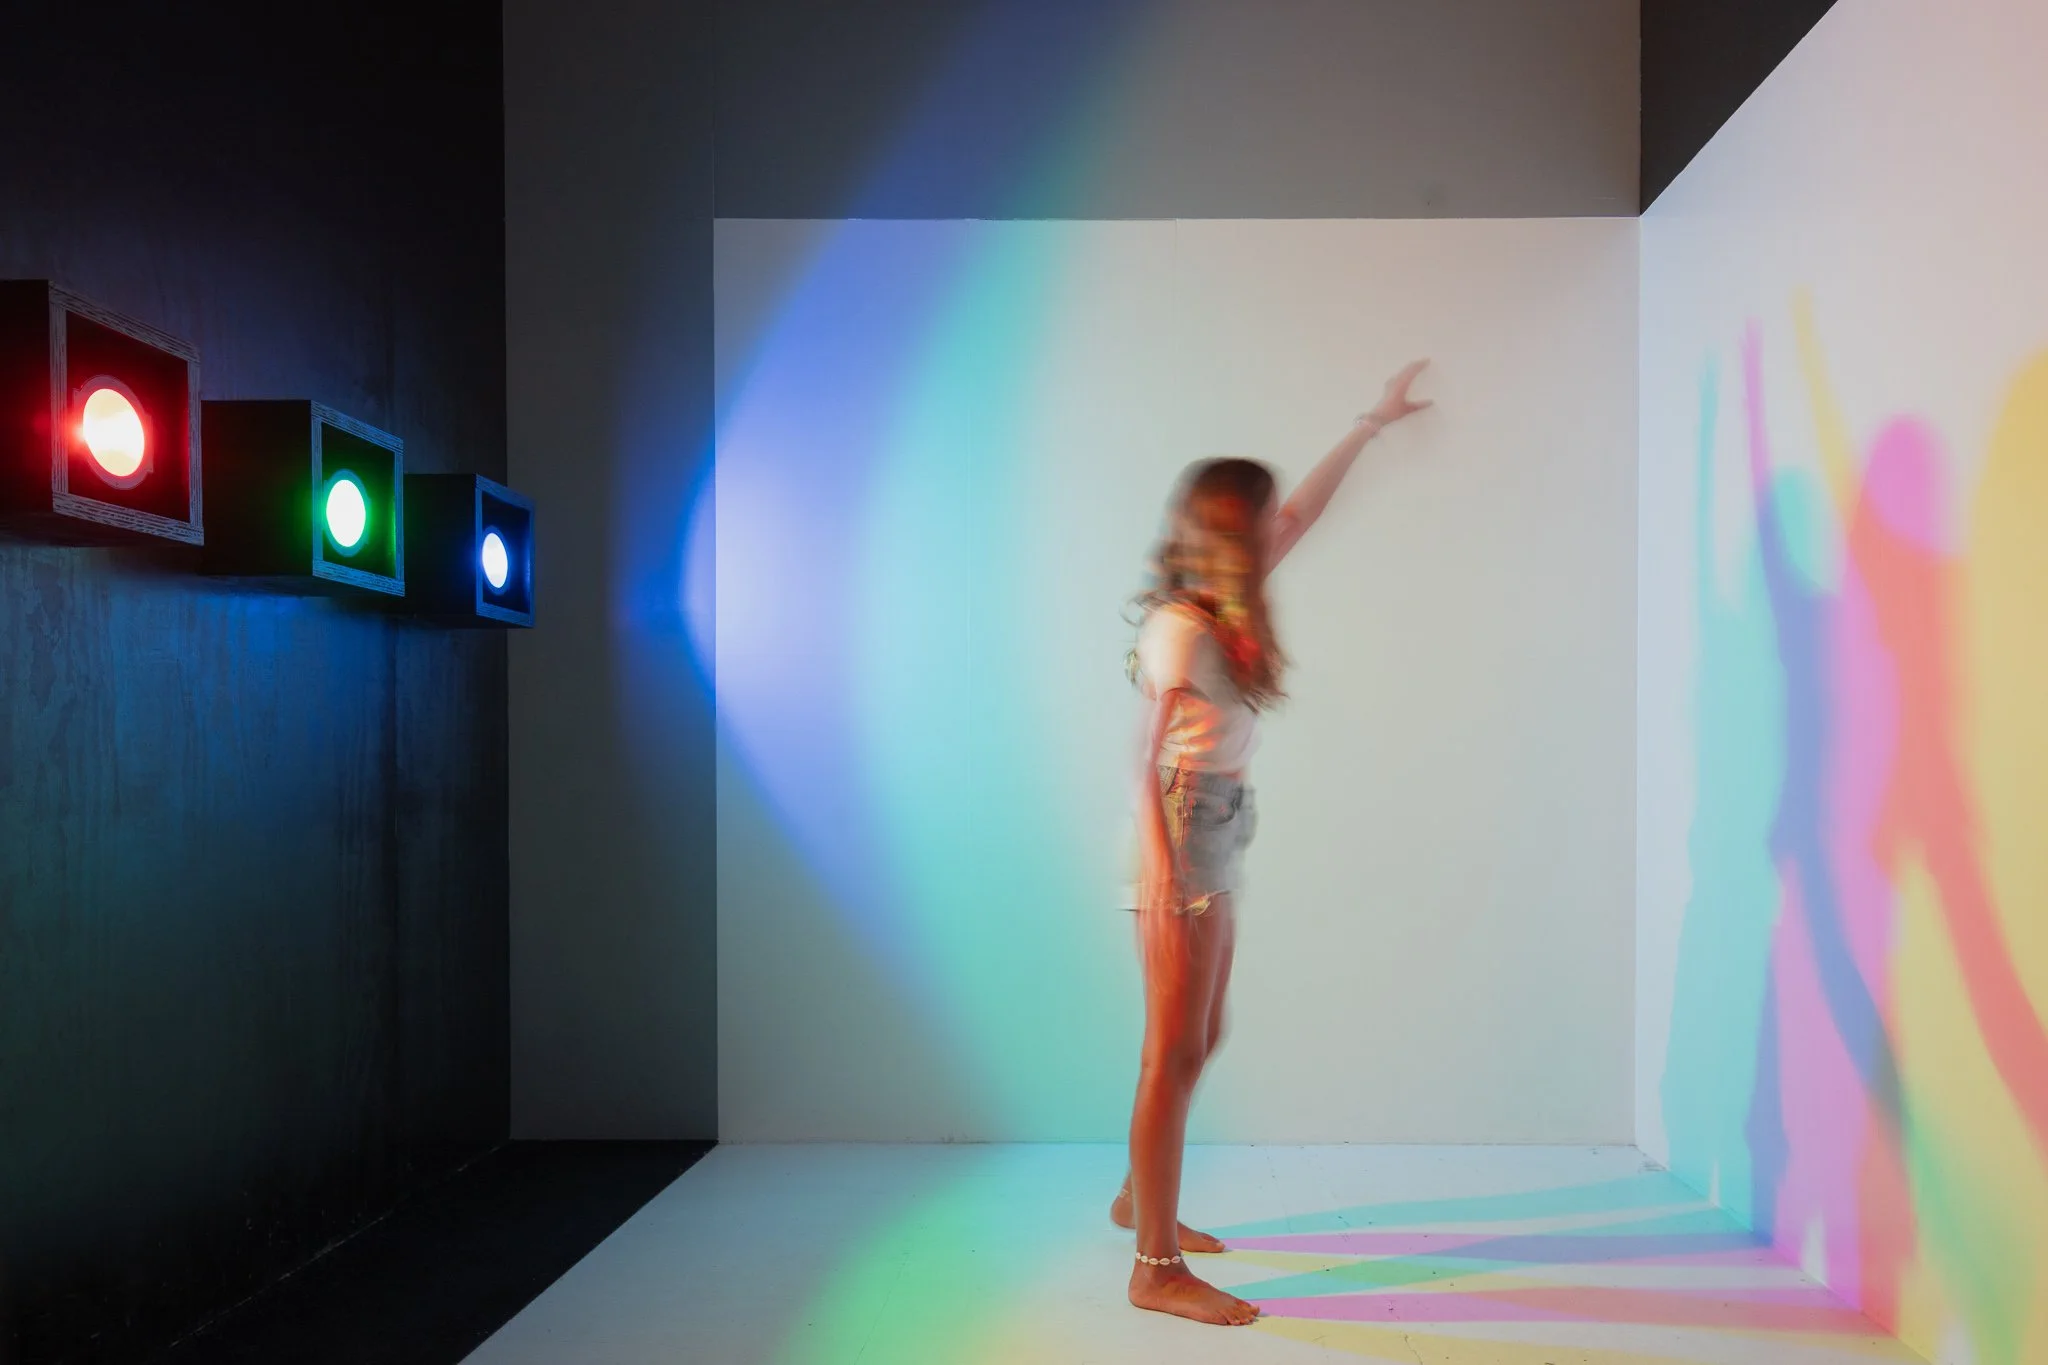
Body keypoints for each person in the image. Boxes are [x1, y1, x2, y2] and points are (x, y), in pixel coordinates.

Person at [1112, 360, 1434, 1326]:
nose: (1273, 527)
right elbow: (1141, 761)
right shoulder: (1181, 627)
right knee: (1171, 1049)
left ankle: (1140, 1194)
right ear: (1226, 531)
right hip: (1178, 826)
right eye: (1256, 520)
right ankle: (1154, 1264)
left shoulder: (1232, 601)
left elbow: (1306, 510)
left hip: (1219, 819)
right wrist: (1166, 879)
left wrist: (1370, 424)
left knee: (1203, 1034)